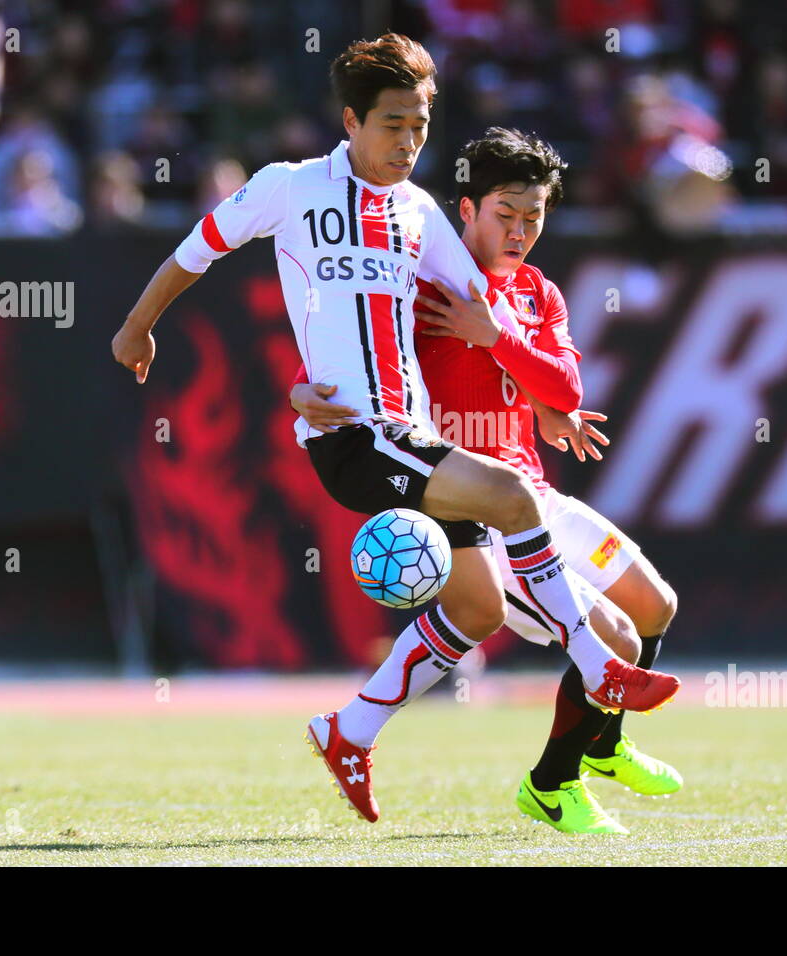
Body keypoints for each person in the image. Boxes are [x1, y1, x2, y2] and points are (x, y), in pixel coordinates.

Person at [111, 34, 679, 824]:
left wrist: (540, 390)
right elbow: (198, 250)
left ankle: (350, 730)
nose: (409, 142)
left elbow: (480, 298)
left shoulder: (418, 214)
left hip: (411, 437)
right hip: (356, 435)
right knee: (516, 497)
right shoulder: (289, 188)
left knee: (479, 609)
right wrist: (139, 329)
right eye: (392, 125)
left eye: (420, 125)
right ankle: (596, 671)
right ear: (350, 121)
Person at [293, 128, 681, 834]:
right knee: (610, 636)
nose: (521, 232)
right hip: (470, 503)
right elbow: (348, 349)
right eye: (506, 215)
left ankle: (605, 744)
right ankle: (553, 784)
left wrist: (497, 337)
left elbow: (565, 385)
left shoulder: (535, 291)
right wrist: (302, 390)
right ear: (464, 210)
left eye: (534, 217)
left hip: (532, 493)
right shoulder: (419, 286)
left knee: (656, 606)